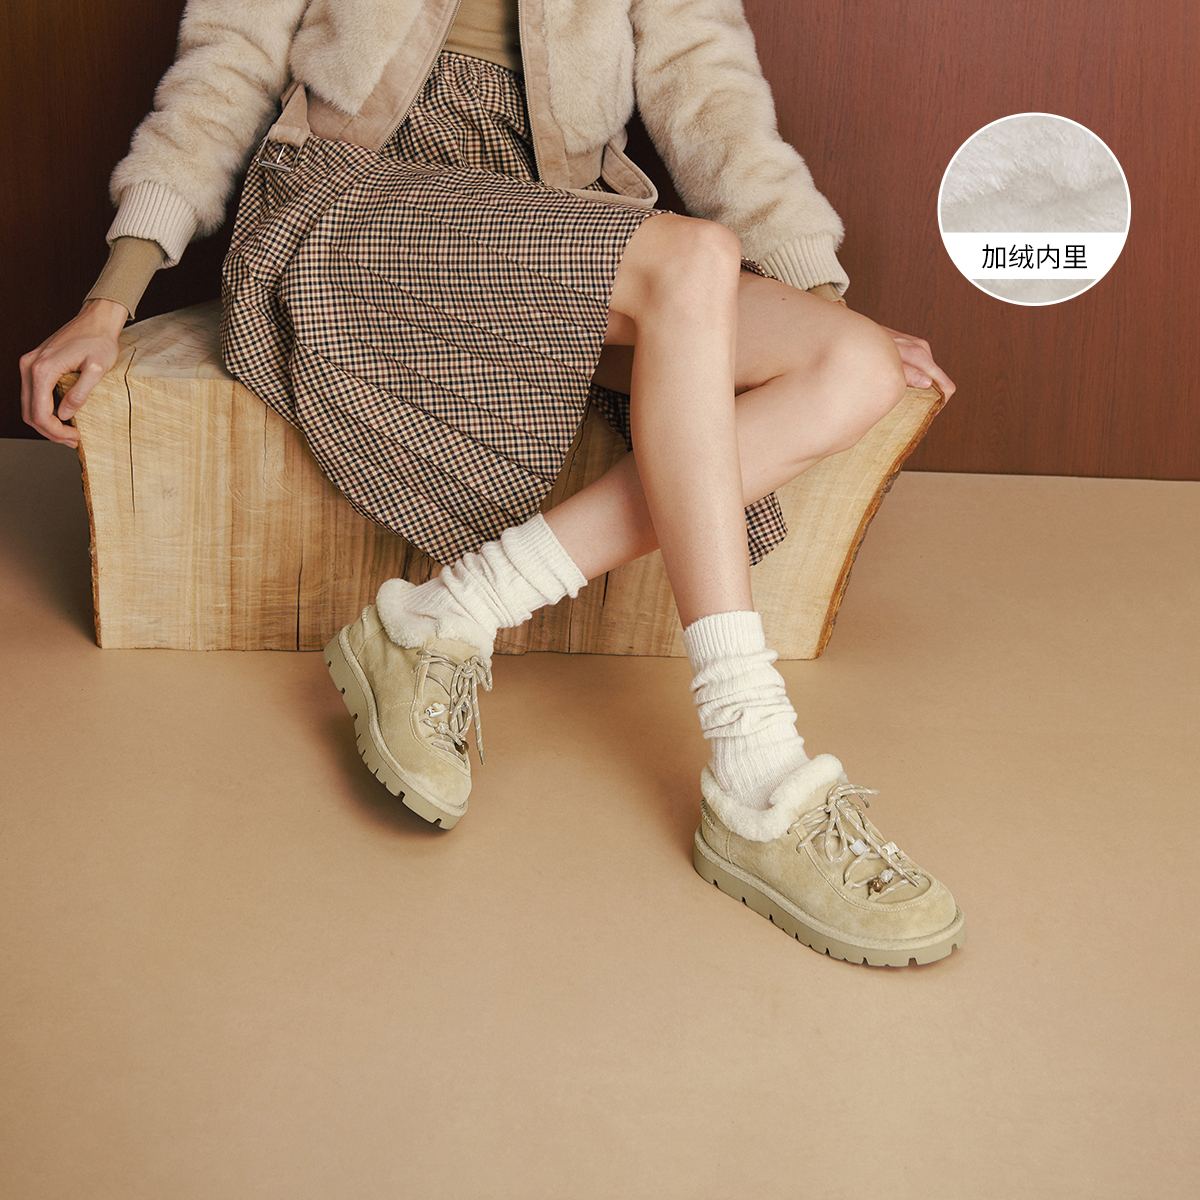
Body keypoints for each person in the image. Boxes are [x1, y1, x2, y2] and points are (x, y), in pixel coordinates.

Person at [19, 0, 964, 966]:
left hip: (551, 215)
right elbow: (228, 60)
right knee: (694, 258)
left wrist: (820, 300)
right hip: (351, 204)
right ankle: (755, 760)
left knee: (852, 367)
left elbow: (710, 91)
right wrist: (110, 299)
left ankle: (452, 610)